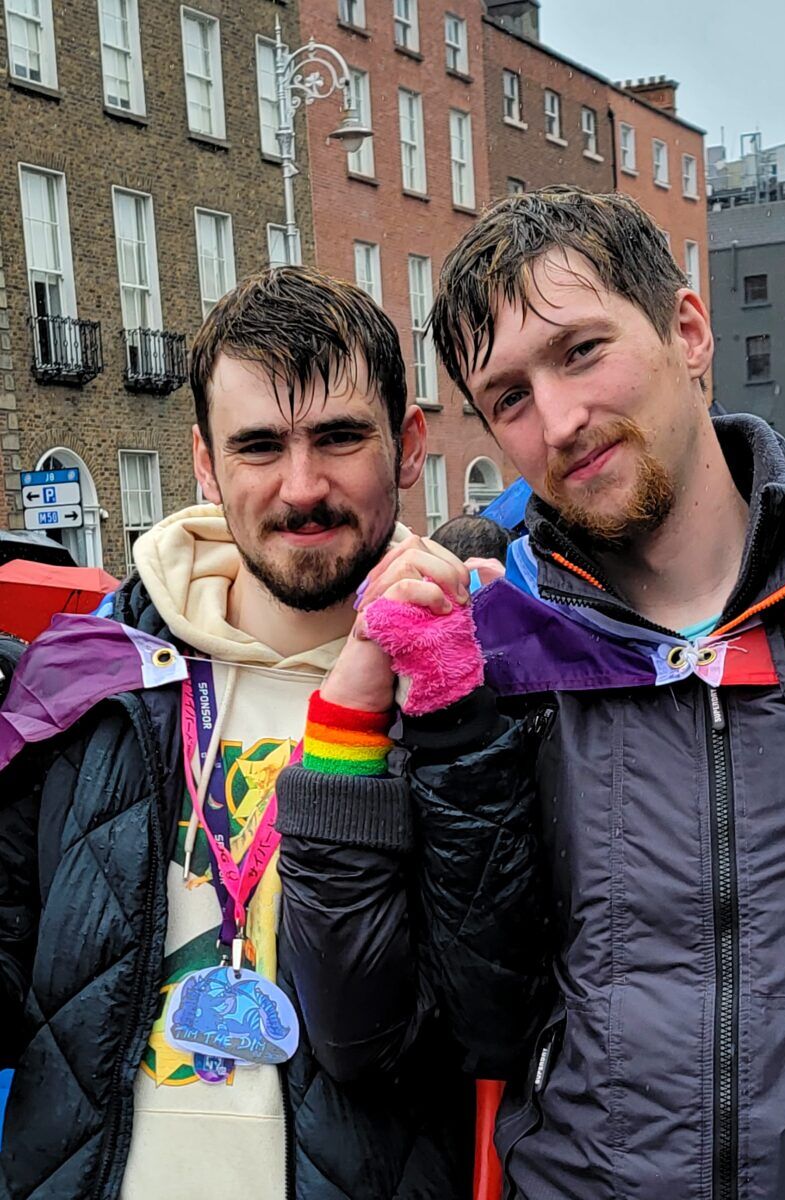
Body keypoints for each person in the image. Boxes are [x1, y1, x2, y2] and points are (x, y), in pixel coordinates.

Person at [276, 187, 785, 1200]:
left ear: (687, 332)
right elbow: (368, 1029)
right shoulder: (492, 645)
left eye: (580, 351)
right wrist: (350, 723)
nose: (559, 421)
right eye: (510, 396)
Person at [0, 265, 478, 1200]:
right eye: (259, 446)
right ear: (207, 463)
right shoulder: (87, 684)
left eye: (339, 437)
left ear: (409, 443)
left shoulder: (465, 697)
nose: (302, 487)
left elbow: (486, 1016)